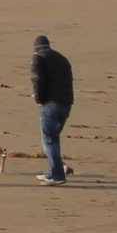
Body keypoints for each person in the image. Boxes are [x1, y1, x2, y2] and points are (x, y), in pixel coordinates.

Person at [32, 34, 75, 184]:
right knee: (54, 139)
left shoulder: (38, 58)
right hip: (66, 103)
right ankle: (52, 172)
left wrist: (39, 99)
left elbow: (37, 79)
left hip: (51, 104)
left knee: (49, 140)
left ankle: (58, 176)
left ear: (36, 49)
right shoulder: (62, 58)